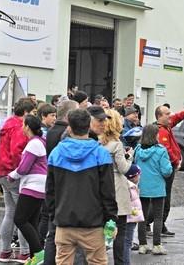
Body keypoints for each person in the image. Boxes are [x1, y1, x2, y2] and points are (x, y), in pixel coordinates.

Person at [46, 108, 116, 265]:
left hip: (64, 221)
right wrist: (111, 219)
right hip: (93, 223)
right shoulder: (100, 154)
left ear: (69, 127)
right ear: (89, 125)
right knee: (97, 262)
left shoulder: (56, 153)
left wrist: (54, 215)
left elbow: (50, 191)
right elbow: (108, 192)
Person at [91, 107, 135, 264]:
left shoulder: (97, 143)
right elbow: (124, 169)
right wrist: (130, 157)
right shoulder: (116, 144)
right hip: (117, 187)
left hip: (100, 187)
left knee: (102, 230)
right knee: (120, 232)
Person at [0, 98, 37, 263]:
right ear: (26, 113)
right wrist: (23, 170)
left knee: (10, 213)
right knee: (23, 216)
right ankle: (24, 252)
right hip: (14, 174)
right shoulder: (20, 127)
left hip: (2, 172)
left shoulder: (8, 123)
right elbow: (17, 153)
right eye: (33, 113)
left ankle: (5, 251)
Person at [42, 100, 79, 265]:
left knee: (52, 233)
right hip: (64, 187)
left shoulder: (51, 131)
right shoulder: (64, 133)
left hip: (54, 185)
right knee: (60, 235)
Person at [8, 115, 48, 261]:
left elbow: (24, 168)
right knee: (31, 223)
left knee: (20, 219)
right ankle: (36, 257)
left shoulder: (34, 144)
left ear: (27, 127)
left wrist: (12, 175)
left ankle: (39, 254)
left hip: (32, 186)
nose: (22, 127)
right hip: (40, 186)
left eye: (23, 124)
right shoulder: (40, 142)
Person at [155, 104, 184, 237]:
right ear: (160, 116)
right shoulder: (162, 131)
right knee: (164, 197)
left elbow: (175, 118)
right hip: (167, 168)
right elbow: (166, 149)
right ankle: (157, 224)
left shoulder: (166, 126)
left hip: (168, 167)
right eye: (167, 114)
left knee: (163, 196)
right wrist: (177, 161)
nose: (170, 116)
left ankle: (157, 223)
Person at [134, 124, 172, 255]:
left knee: (142, 217)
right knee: (158, 217)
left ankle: (142, 244)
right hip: (157, 187)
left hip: (142, 187)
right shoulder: (161, 150)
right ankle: (157, 244)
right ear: (155, 135)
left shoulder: (138, 149)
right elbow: (166, 171)